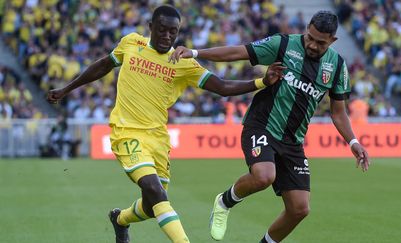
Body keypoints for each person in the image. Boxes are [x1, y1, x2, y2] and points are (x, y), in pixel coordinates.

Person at [46, 5, 285, 243]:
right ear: (150, 27)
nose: (167, 36)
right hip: (126, 132)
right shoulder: (131, 43)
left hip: (158, 139)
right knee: (156, 191)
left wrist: (262, 81)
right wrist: (67, 89)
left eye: (173, 32)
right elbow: (103, 65)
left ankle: (120, 219)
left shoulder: (183, 63)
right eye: (162, 30)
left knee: (152, 206)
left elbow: (222, 87)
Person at [170, 10, 370, 243]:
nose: (313, 45)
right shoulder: (283, 44)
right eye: (310, 38)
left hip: (293, 141)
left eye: (321, 43)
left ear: (333, 40)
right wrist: (195, 52)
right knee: (264, 176)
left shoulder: (336, 66)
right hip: (261, 125)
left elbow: (338, 112)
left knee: (299, 209)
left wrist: (353, 142)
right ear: (306, 29)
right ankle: (224, 201)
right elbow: (239, 52)